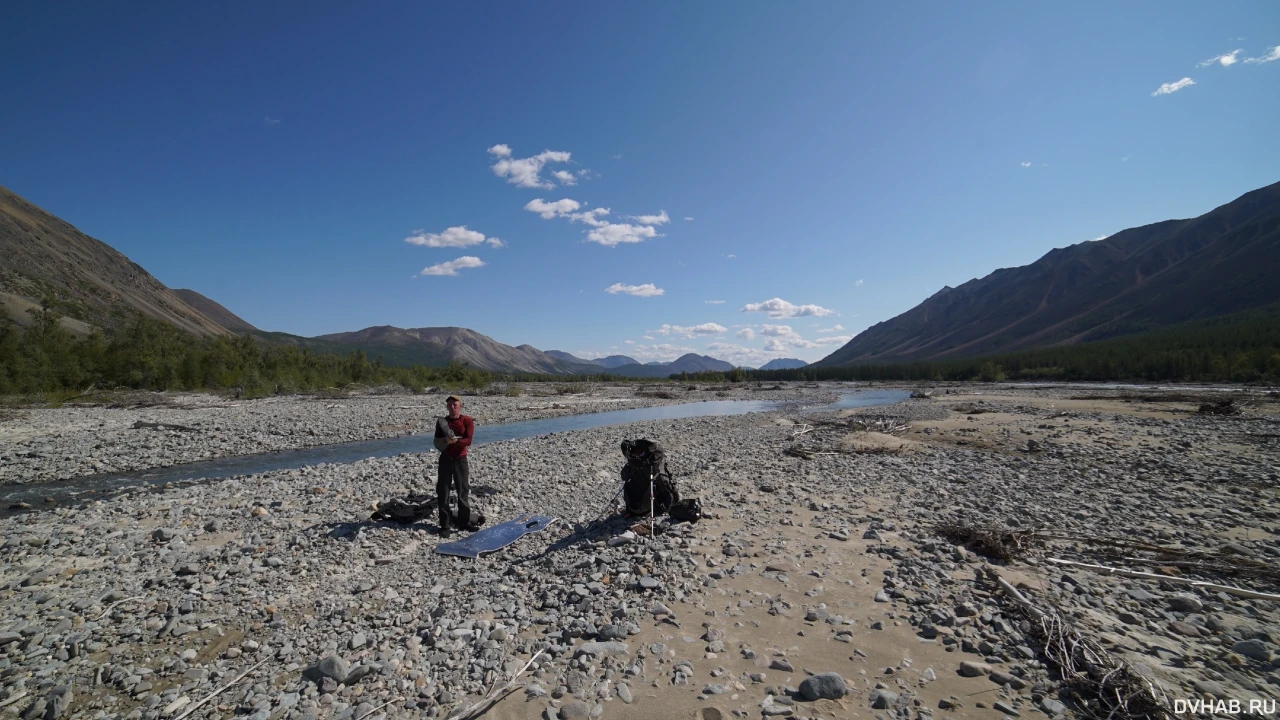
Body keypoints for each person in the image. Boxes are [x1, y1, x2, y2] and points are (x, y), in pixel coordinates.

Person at [435, 395, 475, 537]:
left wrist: (455, 441)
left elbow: (468, 440)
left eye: (455, 404)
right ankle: (444, 525)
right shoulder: (442, 422)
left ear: (460, 406)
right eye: (450, 405)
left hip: (460, 459)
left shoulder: (467, 420)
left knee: (463, 491)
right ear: (447, 406)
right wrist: (445, 441)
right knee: (443, 492)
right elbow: (436, 441)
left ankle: (464, 522)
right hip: (445, 459)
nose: (452, 407)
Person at [620, 438, 679, 517]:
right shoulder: (634, 461)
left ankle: (663, 503)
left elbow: (624, 476)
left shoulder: (651, 458)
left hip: (642, 502)